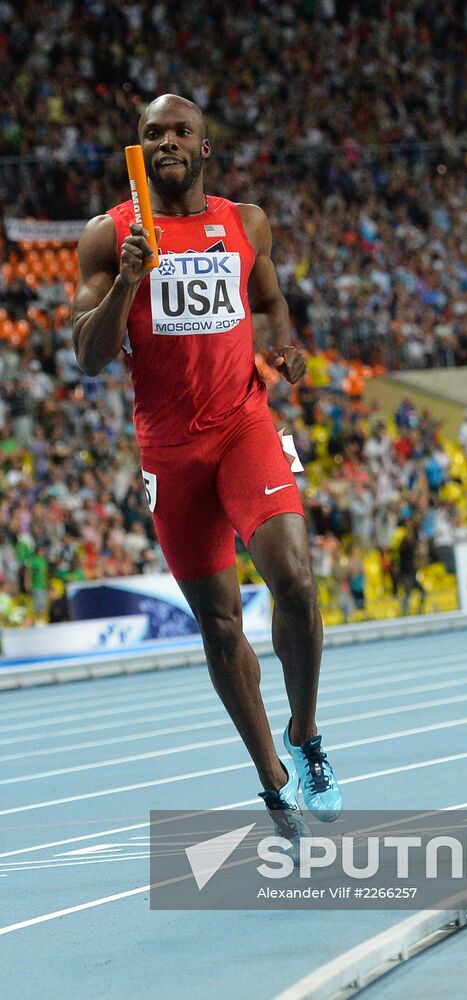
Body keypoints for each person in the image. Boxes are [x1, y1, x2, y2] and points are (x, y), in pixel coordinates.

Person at [72, 94, 342, 844]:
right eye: (152, 132)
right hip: (169, 451)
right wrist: (128, 280)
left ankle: (307, 733)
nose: (166, 141)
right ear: (139, 148)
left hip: (242, 427)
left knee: (294, 578)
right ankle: (271, 777)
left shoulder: (244, 221)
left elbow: (272, 300)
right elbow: (88, 358)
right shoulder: (110, 234)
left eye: (179, 131)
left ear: (203, 148)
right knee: (220, 623)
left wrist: (284, 346)